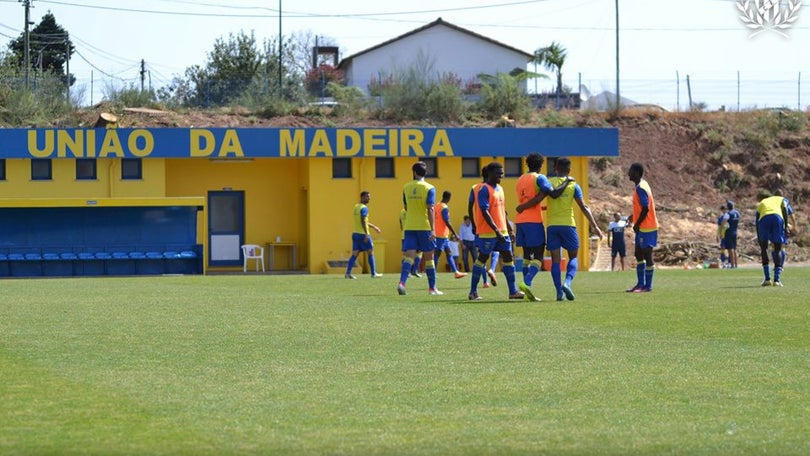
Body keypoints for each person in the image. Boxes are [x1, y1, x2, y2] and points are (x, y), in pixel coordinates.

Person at [537, 157, 603, 301]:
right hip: (568, 225)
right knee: (573, 256)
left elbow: (540, 199)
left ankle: (558, 291)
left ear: (555, 169)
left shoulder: (549, 183)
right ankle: (567, 283)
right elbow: (584, 207)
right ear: (569, 170)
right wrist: (595, 226)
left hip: (552, 226)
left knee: (555, 260)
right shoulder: (574, 186)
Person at [513, 152, 570, 301]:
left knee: (526, 256)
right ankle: (526, 282)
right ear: (540, 165)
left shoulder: (520, 179)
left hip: (520, 221)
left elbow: (530, 199)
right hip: (533, 221)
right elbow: (553, 193)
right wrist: (567, 181)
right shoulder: (540, 178)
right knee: (538, 255)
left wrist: (535, 206)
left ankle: (527, 291)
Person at [468, 162, 525, 301]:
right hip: (488, 233)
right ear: (490, 174)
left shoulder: (500, 188)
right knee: (482, 259)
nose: (501, 175)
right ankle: (473, 292)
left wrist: (509, 230)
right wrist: (496, 230)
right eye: (498, 173)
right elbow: (484, 211)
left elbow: (502, 211)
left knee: (508, 259)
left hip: (503, 232)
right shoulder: (483, 189)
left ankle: (513, 291)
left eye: (502, 173)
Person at [397, 161, 440, 295]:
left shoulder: (406, 187)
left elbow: (406, 207)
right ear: (425, 173)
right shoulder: (429, 188)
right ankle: (432, 288)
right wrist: (433, 229)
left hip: (409, 226)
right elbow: (431, 209)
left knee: (409, 256)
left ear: (414, 173)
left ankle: (402, 283)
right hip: (424, 226)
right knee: (429, 258)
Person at [626, 162, 659, 293]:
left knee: (647, 255)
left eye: (630, 170)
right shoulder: (641, 186)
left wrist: (637, 223)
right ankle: (640, 284)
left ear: (637, 173)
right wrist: (632, 216)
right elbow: (642, 207)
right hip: (644, 227)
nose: (628, 173)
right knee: (638, 254)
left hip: (648, 227)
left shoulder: (641, 188)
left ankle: (647, 285)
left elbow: (646, 207)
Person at [756, 191, 797, 287]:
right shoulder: (782, 199)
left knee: (764, 248)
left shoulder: (763, 202)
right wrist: (791, 225)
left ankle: (767, 279)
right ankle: (777, 280)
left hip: (763, 219)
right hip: (777, 218)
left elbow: (757, 221)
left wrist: (759, 238)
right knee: (778, 248)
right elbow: (788, 211)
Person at [345, 191, 383, 279]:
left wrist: (374, 227)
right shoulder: (364, 208)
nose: (369, 198)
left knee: (354, 254)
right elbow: (363, 221)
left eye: (369, 197)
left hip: (355, 234)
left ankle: (347, 274)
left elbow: (363, 221)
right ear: (362, 197)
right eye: (367, 197)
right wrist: (366, 233)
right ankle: (373, 273)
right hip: (363, 234)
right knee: (370, 252)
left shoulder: (356, 207)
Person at [468, 166, 494, 288]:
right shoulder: (494, 188)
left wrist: (473, 224)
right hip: (495, 226)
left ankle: (484, 281)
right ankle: (492, 270)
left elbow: (470, 207)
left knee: (481, 256)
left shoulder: (475, 188)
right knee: (499, 252)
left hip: (480, 227)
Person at [434, 190, 467, 279]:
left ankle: (456, 272)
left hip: (441, 234)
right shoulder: (444, 207)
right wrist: (455, 233)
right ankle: (432, 272)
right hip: (441, 234)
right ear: (449, 198)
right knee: (437, 253)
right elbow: (447, 221)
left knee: (449, 253)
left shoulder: (437, 206)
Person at [399, 208, 422, 278]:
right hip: (412, 235)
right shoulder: (413, 211)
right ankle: (411, 271)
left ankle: (411, 271)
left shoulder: (402, 211)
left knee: (406, 254)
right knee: (417, 253)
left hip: (404, 235)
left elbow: (400, 223)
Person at [721, 200, 741, 268]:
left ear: (728, 207)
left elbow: (723, 223)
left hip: (729, 232)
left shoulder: (727, 214)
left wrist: (724, 226)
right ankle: (736, 264)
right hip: (735, 231)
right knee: (735, 249)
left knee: (730, 249)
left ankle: (732, 265)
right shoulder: (737, 213)